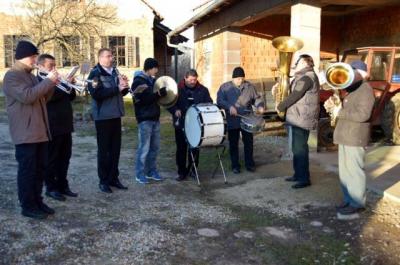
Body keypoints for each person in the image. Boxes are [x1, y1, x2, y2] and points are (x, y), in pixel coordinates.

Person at [3, 40, 59, 219]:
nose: (35, 60)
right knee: (27, 171)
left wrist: (52, 82)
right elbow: (27, 97)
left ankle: (37, 200)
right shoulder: (12, 76)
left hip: (39, 131)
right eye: (33, 56)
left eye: (35, 56)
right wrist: (47, 81)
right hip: (25, 133)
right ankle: (27, 205)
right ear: (22, 57)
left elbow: (43, 97)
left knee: (40, 169)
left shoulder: (31, 75)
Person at [324, 60, 374, 216]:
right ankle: (348, 199)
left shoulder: (366, 90)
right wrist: (333, 104)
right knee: (345, 172)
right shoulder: (352, 90)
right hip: (346, 136)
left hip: (355, 137)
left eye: (354, 71)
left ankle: (357, 203)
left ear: (362, 73)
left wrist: (340, 112)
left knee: (354, 171)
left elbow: (363, 115)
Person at [87, 48, 129, 193]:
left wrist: (124, 87)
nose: (111, 58)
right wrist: (117, 88)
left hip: (116, 115)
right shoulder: (95, 74)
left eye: (112, 56)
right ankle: (103, 181)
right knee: (104, 150)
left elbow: (120, 93)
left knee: (115, 149)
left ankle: (113, 178)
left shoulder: (115, 71)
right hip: (103, 117)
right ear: (100, 58)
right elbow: (96, 94)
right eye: (108, 56)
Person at [37, 54, 78, 201]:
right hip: (52, 125)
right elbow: (52, 97)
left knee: (65, 157)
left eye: (55, 65)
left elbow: (70, 97)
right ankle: (51, 187)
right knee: (52, 158)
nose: (54, 69)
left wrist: (70, 85)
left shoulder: (56, 80)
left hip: (66, 124)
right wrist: (65, 85)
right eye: (50, 66)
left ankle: (62, 185)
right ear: (40, 66)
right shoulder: (41, 80)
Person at [275, 54, 320, 189]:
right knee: (296, 148)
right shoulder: (303, 76)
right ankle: (298, 174)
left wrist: (280, 106)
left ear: (306, 63)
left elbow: (296, 95)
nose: (295, 64)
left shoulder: (307, 77)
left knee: (300, 149)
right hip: (298, 117)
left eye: (298, 62)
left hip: (302, 119)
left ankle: (304, 178)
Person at [217, 66, 264, 174]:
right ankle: (235, 165)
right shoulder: (225, 87)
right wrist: (229, 107)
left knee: (248, 142)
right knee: (233, 143)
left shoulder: (249, 87)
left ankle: (250, 164)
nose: (240, 80)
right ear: (233, 78)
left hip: (247, 118)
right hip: (233, 119)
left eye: (242, 78)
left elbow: (257, 99)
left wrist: (260, 106)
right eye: (238, 79)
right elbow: (219, 100)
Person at [168, 69, 213, 181]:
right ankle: (181, 172)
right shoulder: (177, 89)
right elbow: (168, 102)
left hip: (196, 124)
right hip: (181, 123)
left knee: (194, 148)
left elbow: (209, 103)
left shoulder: (203, 90)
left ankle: (193, 170)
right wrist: (175, 110)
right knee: (181, 148)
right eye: (191, 80)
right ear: (185, 78)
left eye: (195, 79)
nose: (193, 82)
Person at [131, 58, 167, 184]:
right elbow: (142, 100)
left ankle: (151, 171)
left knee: (155, 147)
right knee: (144, 148)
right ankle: (140, 174)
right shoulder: (138, 81)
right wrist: (158, 94)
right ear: (150, 68)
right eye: (155, 68)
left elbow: (155, 98)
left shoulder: (153, 81)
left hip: (155, 118)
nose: (157, 70)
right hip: (144, 118)